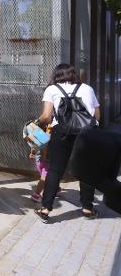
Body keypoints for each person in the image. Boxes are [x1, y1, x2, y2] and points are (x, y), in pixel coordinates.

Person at [34, 64, 100, 223]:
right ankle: (87, 208)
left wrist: (37, 123)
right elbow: (97, 115)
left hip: (61, 133)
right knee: (86, 171)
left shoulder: (52, 89)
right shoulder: (87, 88)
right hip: (87, 134)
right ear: (73, 74)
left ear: (56, 75)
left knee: (55, 170)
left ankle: (45, 209)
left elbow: (46, 116)